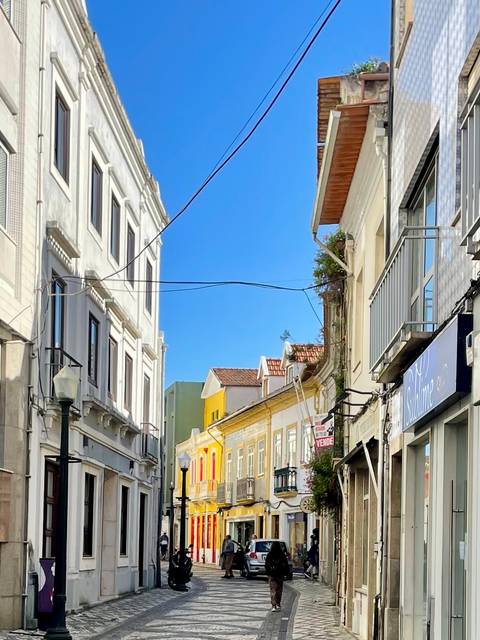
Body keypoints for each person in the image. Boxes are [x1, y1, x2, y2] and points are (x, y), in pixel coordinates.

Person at [265, 541, 290, 611]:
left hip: (272, 574)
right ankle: (278, 604)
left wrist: (268, 573)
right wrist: (286, 573)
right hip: (280, 574)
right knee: (279, 590)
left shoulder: (269, 554)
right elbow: (285, 564)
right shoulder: (282, 554)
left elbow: (266, 565)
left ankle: (273, 605)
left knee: (273, 590)